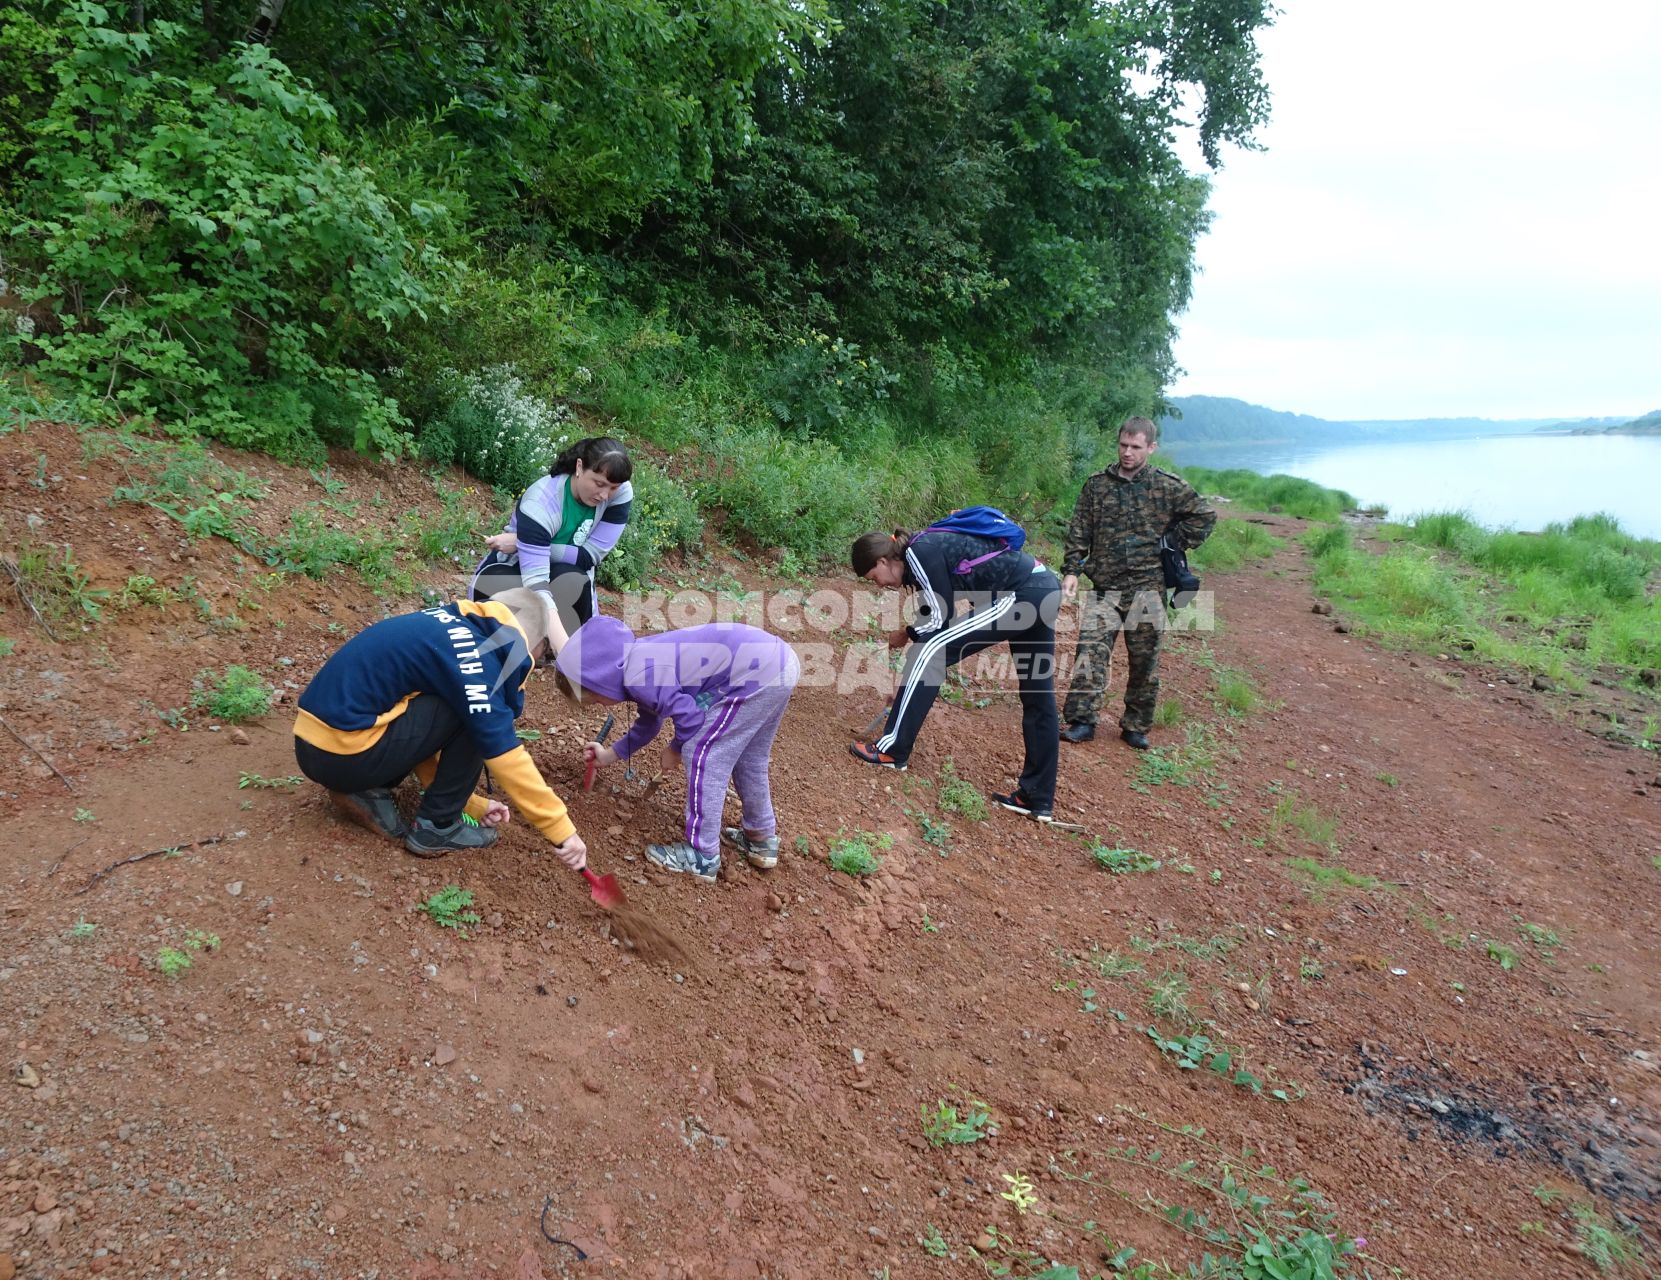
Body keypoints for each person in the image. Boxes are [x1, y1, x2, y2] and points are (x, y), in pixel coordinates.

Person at [293, 587, 589, 866]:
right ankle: (438, 827)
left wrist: (470, 804)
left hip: (315, 745)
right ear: (531, 646)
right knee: (480, 719)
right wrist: (562, 830)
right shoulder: (479, 663)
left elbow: (423, 733)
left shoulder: (448, 629)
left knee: (464, 707)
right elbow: (505, 754)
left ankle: (366, 789)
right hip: (345, 754)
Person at [553, 617, 801, 884]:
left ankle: (702, 855)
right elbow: (649, 723)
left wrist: (675, 749)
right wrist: (609, 755)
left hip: (756, 672)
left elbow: (691, 718)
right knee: (749, 758)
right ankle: (760, 837)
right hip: (777, 663)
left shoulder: (640, 676)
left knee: (703, 751)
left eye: (596, 698)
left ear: (601, 679)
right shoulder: (638, 662)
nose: (601, 705)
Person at [848, 518, 1060, 821]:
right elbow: (936, 606)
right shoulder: (923, 552)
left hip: (1021, 594)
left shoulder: (918, 553)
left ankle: (892, 751)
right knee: (1039, 696)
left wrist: (907, 636)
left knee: (931, 653)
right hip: (1045, 588)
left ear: (883, 560)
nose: (878, 584)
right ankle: (1036, 798)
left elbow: (940, 622)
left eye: (873, 576)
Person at [1058, 416, 1216, 749]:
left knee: (1145, 662)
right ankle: (1082, 720)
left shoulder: (1166, 486)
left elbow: (1204, 515)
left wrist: (1174, 543)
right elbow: (1079, 528)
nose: (1128, 453)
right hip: (1105, 586)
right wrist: (1071, 570)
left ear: (1151, 447)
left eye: (1136, 447)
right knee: (1091, 654)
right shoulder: (1097, 484)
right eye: (1123, 445)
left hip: (1147, 587)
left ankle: (1136, 725)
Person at [471, 436, 634, 635]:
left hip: (562, 573)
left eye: (613, 488)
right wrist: (564, 648)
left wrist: (522, 543)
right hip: (515, 569)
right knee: (499, 584)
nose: (604, 495)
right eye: (599, 484)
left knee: (574, 577)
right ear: (580, 467)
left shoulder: (621, 493)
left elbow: (589, 557)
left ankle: (553, 643)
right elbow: (536, 583)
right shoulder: (541, 504)